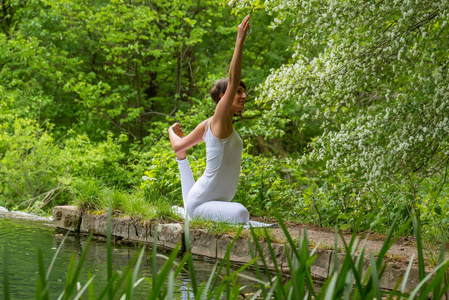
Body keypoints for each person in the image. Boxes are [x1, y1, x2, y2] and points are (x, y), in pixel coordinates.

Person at [168, 14, 251, 224]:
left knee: (230, 209)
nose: (244, 96)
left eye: (243, 92)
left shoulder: (209, 125)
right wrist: (240, 39)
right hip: (201, 205)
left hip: (205, 201)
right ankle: (191, 210)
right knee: (241, 213)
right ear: (224, 97)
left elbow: (178, 148)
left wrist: (180, 148)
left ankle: (189, 208)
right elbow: (232, 80)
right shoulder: (218, 120)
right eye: (239, 92)